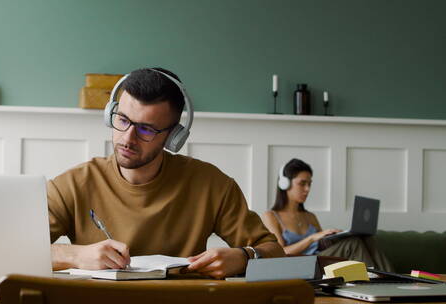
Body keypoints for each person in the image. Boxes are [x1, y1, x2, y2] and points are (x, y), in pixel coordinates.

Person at [48, 67, 285, 279]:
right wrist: (75, 255)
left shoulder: (213, 185)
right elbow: (14, 250)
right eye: (122, 120)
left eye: (146, 129)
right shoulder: (72, 184)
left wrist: (244, 257)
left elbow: (274, 253)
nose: (128, 138)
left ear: (174, 137)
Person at [262, 158, 394, 271]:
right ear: (285, 184)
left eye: (309, 184)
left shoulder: (310, 216)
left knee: (364, 238)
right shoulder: (271, 216)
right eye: (302, 183)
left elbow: (323, 245)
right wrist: (312, 238)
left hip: (322, 259)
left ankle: (392, 280)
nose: (307, 189)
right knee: (352, 244)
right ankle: (378, 281)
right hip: (302, 264)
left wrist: (338, 236)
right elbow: (280, 252)